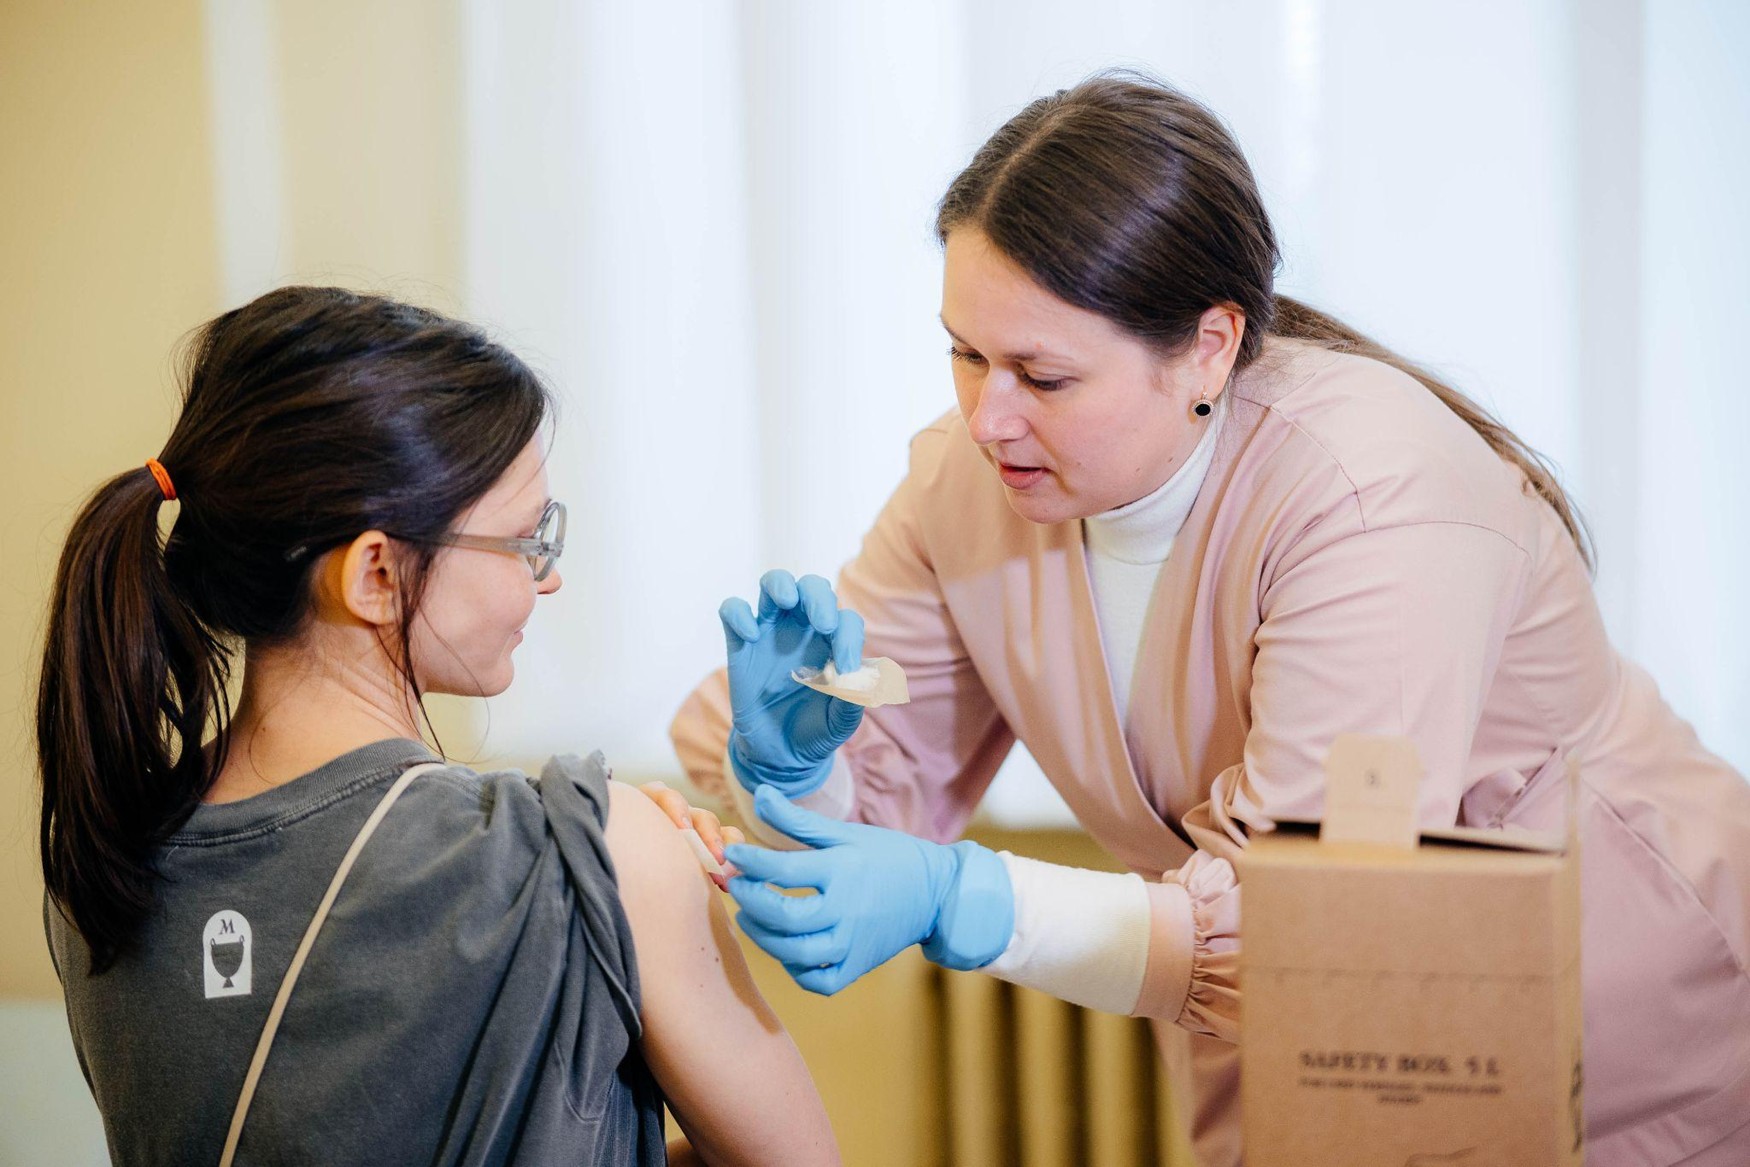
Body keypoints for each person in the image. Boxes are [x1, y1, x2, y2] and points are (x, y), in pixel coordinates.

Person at [666, 74, 1750, 1167]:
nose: (986, 418)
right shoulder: (966, 486)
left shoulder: (1374, 499)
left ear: (1209, 347)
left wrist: (971, 898)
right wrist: (803, 770)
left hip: (1616, 1035)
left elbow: (1316, 921)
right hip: (1296, 1043)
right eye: (965, 353)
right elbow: (884, 801)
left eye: (1042, 374)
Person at [37, 286, 838, 1167]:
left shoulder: (102, 863)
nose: (548, 577)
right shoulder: (589, 852)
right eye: (526, 540)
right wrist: (637, 872)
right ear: (376, 573)